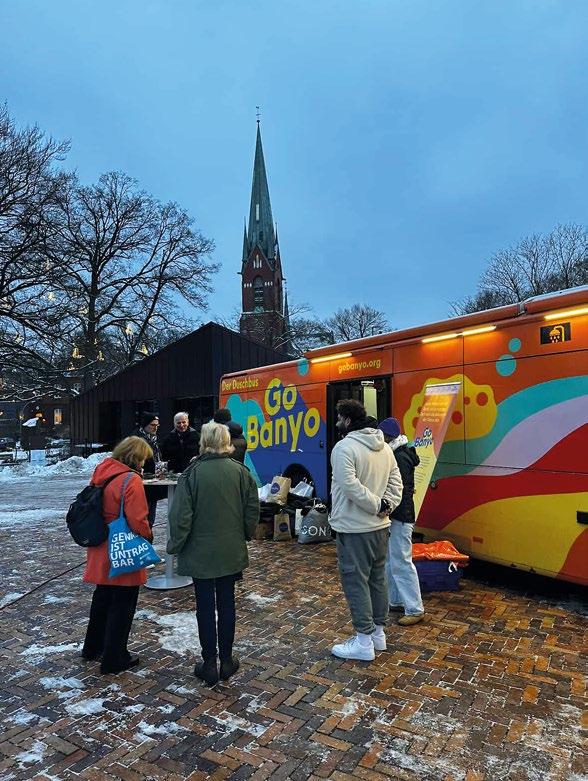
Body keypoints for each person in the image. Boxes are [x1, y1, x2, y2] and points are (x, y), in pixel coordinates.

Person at [167, 421, 259, 685]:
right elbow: (252, 509)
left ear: (204, 442)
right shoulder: (241, 472)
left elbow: (180, 517)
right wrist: (245, 534)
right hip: (230, 549)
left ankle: (209, 662)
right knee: (227, 603)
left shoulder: (191, 474)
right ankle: (227, 660)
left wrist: (176, 545)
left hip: (200, 551)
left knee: (205, 606)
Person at [329, 399, 403, 661]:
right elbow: (396, 483)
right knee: (377, 579)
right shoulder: (385, 448)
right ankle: (378, 635)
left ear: (348, 420)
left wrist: (376, 505)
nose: (337, 423)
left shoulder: (344, 448)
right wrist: (386, 505)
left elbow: (350, 486)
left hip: (354, 527)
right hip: (381, 526)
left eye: (339, 418)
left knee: (355, 582)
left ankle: (363, 641)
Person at [82, 436, 153, 674]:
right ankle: (115, 656)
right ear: (135, 457)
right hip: (122, 547)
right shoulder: (131, 480)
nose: (144, 463)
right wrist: (148, 536)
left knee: (102, 597)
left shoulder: (102, 471)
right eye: (143, 459)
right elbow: (138, 520)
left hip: (100, 543)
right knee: (123, 603)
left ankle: (93, 647)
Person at [378, 417, 425, 626]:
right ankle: (396, 600)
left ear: (388, 437)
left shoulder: (399, 457)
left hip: (401, 516)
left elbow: (400, 491)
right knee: (392, 560)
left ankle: (415, 609)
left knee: (402, 562)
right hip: (398, 515)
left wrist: (387, 509)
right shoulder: (399, 454)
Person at [133, 412, 163, 527]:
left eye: (157, 425)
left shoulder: (153, 439)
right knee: (142, 517)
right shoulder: (137, 439)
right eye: (152, 425)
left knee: (150, 517)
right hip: (141, 482)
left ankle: (148, 533)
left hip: (152, 481)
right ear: (145, 425)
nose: (155, 427)